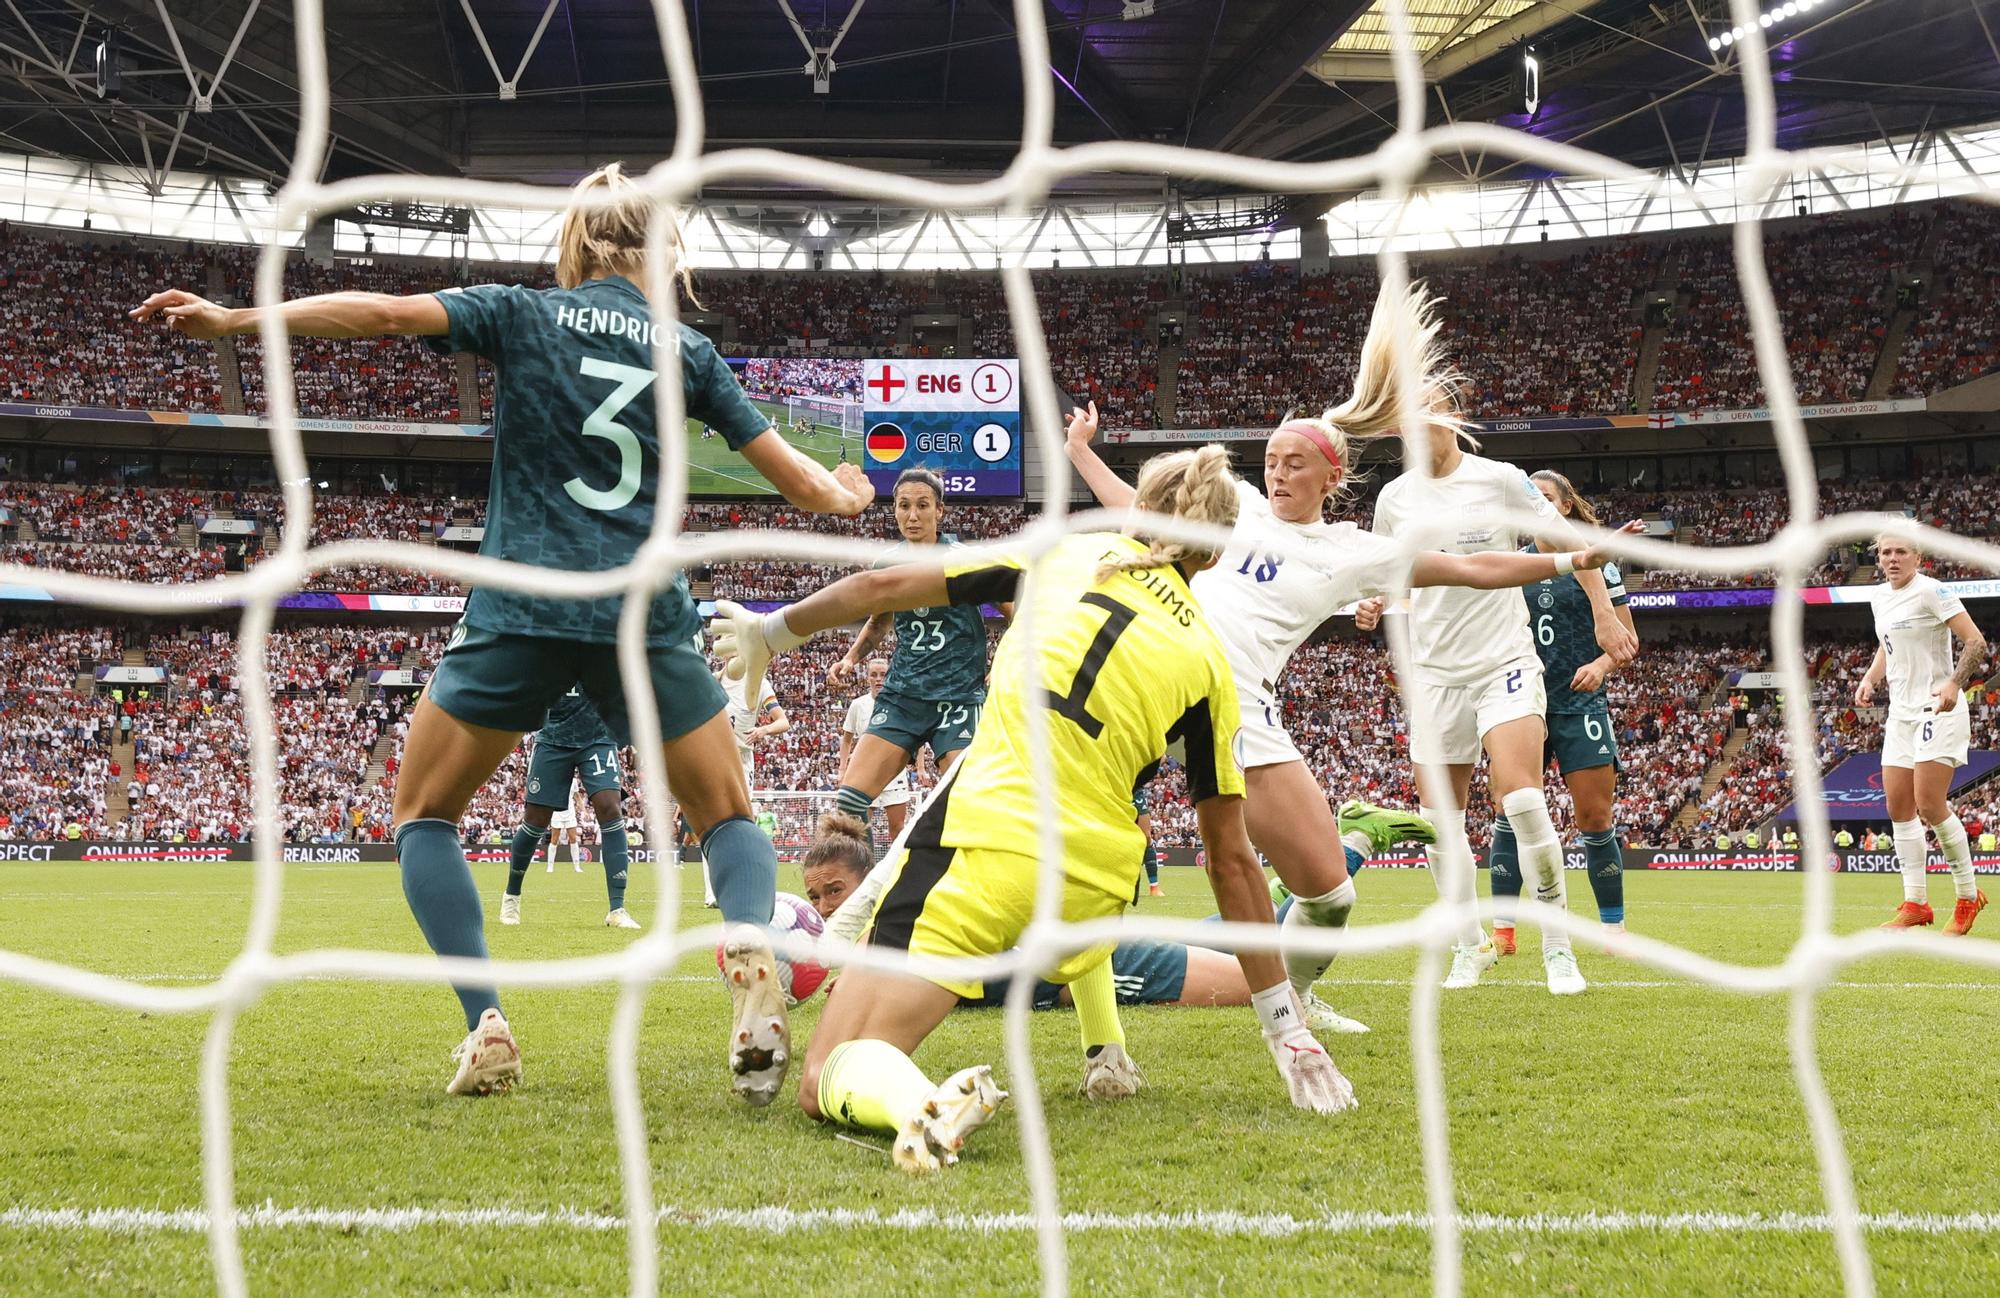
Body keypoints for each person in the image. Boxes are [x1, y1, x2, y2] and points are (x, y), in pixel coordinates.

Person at [132, 161, 875, 1100]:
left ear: (574, 239)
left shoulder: (521, 313)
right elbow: (804, 485)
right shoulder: (685, 350)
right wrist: (845, 492)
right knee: (725, 814)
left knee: (424, 816)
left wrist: (237, 321)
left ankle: (486, 1021)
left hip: (522, 601)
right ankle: (747, 941)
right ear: (657, 248)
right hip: (640, 609)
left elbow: (385, 314)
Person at [714, 446, 1358, 1174]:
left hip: (985, 848)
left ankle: (920, 1102)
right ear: (1212, 560)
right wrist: (1285, 1029)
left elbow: (882, 583)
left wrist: (772, 633)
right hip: (1093, 885)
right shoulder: (1212, 663)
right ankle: (1105, 1048)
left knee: (829, 1072)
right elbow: (1232, 859)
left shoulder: (1060, 554)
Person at [1074, 279, 1636, 1015]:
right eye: (1270, 460)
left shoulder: (1351, 550)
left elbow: (1471, 568)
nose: (1275, 473)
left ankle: (1297, 1002)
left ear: (1330, 477)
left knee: (1329, 893)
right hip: (1165, 680)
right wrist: (1079, 453)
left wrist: (1569, 563)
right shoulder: (1232, 505)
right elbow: (1136, 507)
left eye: (1292, 463)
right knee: (1117, 839)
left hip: (1240, 709)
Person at [1369, 307, 1638, 994]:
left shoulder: (1503, 481)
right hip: (1434, 671)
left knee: (1521, 799)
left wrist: (1606, 616)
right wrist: (1377, 605)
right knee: (1439, 822)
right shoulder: (1394, 499)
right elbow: (1389, 580)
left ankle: (1559, 947)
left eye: (1426, 410)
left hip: (1504, 662)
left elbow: (1568, 547)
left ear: (1452, 420)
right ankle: (1468, 944)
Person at [798, 812, 1254, 1011]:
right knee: (1220, 938)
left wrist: (864, 982)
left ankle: (1312, 908)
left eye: (836, 891)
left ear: (869, 881)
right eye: (816, 898)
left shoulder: (901, 916)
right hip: (1072, 945)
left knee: (1256, 982)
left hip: (1085, 965)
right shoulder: (881, 942)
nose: (826, 907)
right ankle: (1291, 905)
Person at [1489, 471, 1638, 955]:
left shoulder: (1600, 566)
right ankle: (1504, 932)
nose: (1535, 507)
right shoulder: (1511, 563)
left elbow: (1626, 642)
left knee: (1594, 817)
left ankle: (1612, 928)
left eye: (1546, 499)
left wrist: (1600, 665)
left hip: (1578, 701)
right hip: (1520, 701)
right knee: (1510, 814)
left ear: (1566, 507)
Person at [824, 468, 1006, 849]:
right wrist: (851, 658)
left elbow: (1017, 609)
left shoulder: (967, 561)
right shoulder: (887, 564)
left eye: (923, 505)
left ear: (940, 510)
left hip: (958, 698)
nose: (913, 515)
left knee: (969, 805)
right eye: (904, 506)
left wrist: (1004, 660)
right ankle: (865, 895)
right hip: (903, 697)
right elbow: (879, 620)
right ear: (894, 511)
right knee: (848, 804)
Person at [1859, 531, 1990, 934]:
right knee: (1899, 807)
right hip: (1900, 714)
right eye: (1886, 552)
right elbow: (1888, 643)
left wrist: (1954, 683)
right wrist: (1870, 677)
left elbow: (1976, 642)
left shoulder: (1932, 591)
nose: (1893, 558)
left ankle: (1968, 897)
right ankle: (1916, 903)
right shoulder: (1878, 598)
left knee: (1929, 805)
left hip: (1939, 707)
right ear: (1878, 558)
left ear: (1917, 556)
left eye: (1901, 552)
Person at [499, 688, 637, 928]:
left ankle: (617, 908)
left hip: (598, 736)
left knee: (610, 808)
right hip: (554, 737)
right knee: (535, 822)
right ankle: (512, 896)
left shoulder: (605, 650)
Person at [839, 658, 916, 842]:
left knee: (897, 829)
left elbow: (915, 735)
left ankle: (897, 869)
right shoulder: (858, 705)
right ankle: (865, 869)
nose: (878, 679)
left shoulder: (900, 704)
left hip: (894, 774)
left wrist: (919, 767)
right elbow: (847, 740)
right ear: (867, 678)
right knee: (860, 830)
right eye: (873, 675)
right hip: (865, 775)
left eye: (883, 674)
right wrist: (842, 770)